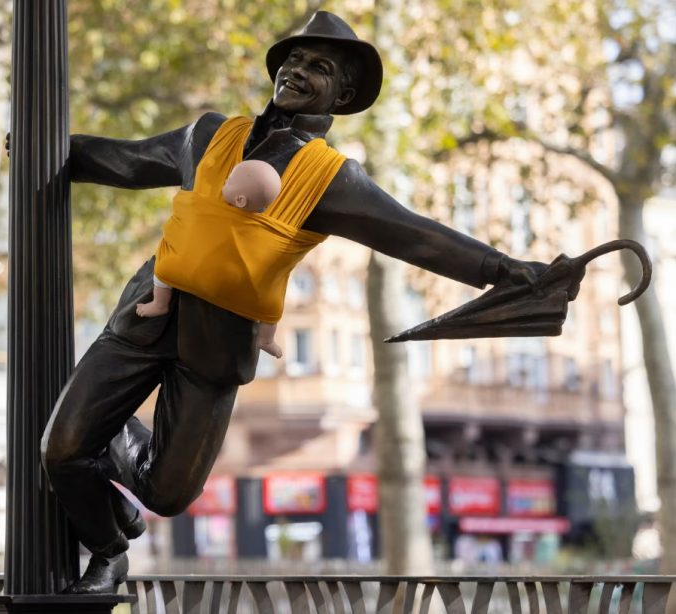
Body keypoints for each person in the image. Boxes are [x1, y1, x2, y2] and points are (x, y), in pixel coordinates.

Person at [41, 10, 546, 593]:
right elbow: (129, 161)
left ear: (343, 93)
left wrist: (505, 269)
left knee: (167, 494)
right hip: (143, 316)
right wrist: (54, 150)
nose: (297, 70)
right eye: (294, 59)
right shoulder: (209, 133)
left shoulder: (332, 179)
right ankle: (108, 553)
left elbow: (417, 234)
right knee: (62, 450)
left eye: (319, 66)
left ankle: (112, 468)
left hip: (217, 346)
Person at [135, 159, 286, 357]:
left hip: (196, 276)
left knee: (164, 268)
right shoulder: (267, 227)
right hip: (243, 289)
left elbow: (190, 215)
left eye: (229, 181)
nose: (224, 181)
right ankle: (266, 339)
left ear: (240, 200)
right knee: (272, 305)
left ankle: (159, 304)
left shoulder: (211, 207)